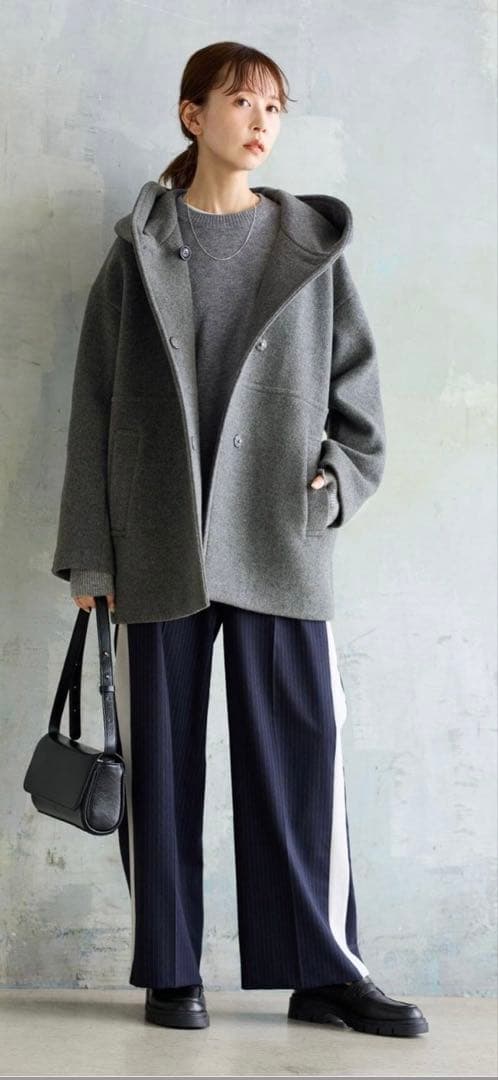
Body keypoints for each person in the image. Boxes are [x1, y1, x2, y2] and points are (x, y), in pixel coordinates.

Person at [51, 41, 429, 1037]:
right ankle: (172, 968)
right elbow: (95, 409)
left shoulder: (310, 249)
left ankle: (325, 972)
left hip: (278, 538)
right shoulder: (139, 250)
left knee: (303, 758)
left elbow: (360, 403)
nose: (261, 122)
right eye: (240, 102)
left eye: (274, 106)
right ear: (193, 116)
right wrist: (91, 553)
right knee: (161, 768)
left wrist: (335, 485)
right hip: (157, 544)